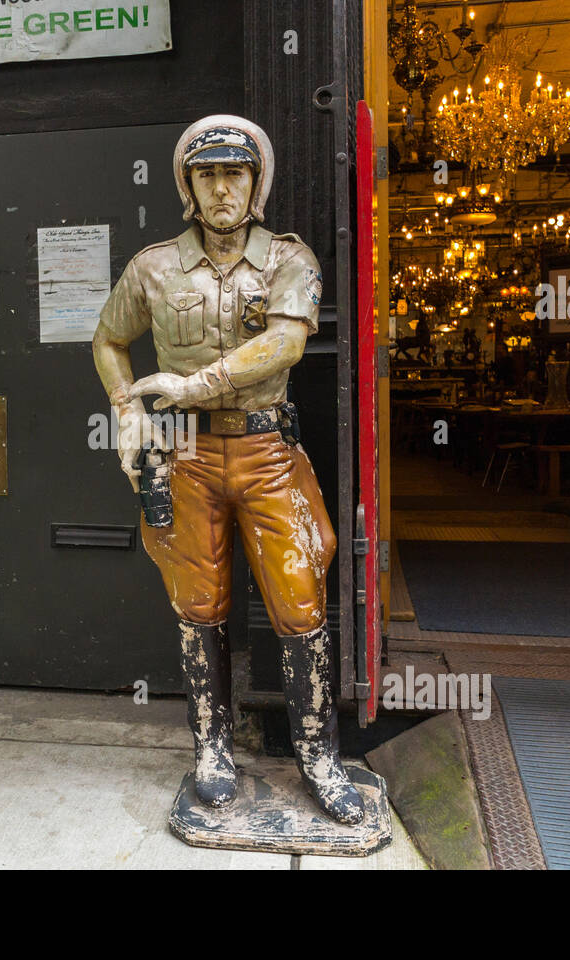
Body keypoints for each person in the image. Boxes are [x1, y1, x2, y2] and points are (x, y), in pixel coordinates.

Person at [91, 115, 366, 823]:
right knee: (198, 604)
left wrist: (191, 385)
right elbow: (109, 338)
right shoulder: (152, 267)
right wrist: (127, 409)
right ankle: (211, 749)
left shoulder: (287, 259)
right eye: (207, 174)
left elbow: (285, 345)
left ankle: (319, 755)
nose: (221, 188)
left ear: (255, 183)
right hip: (183, 452)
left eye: (234, 174)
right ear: (188, 184)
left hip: (266, 450)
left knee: (300, 602)